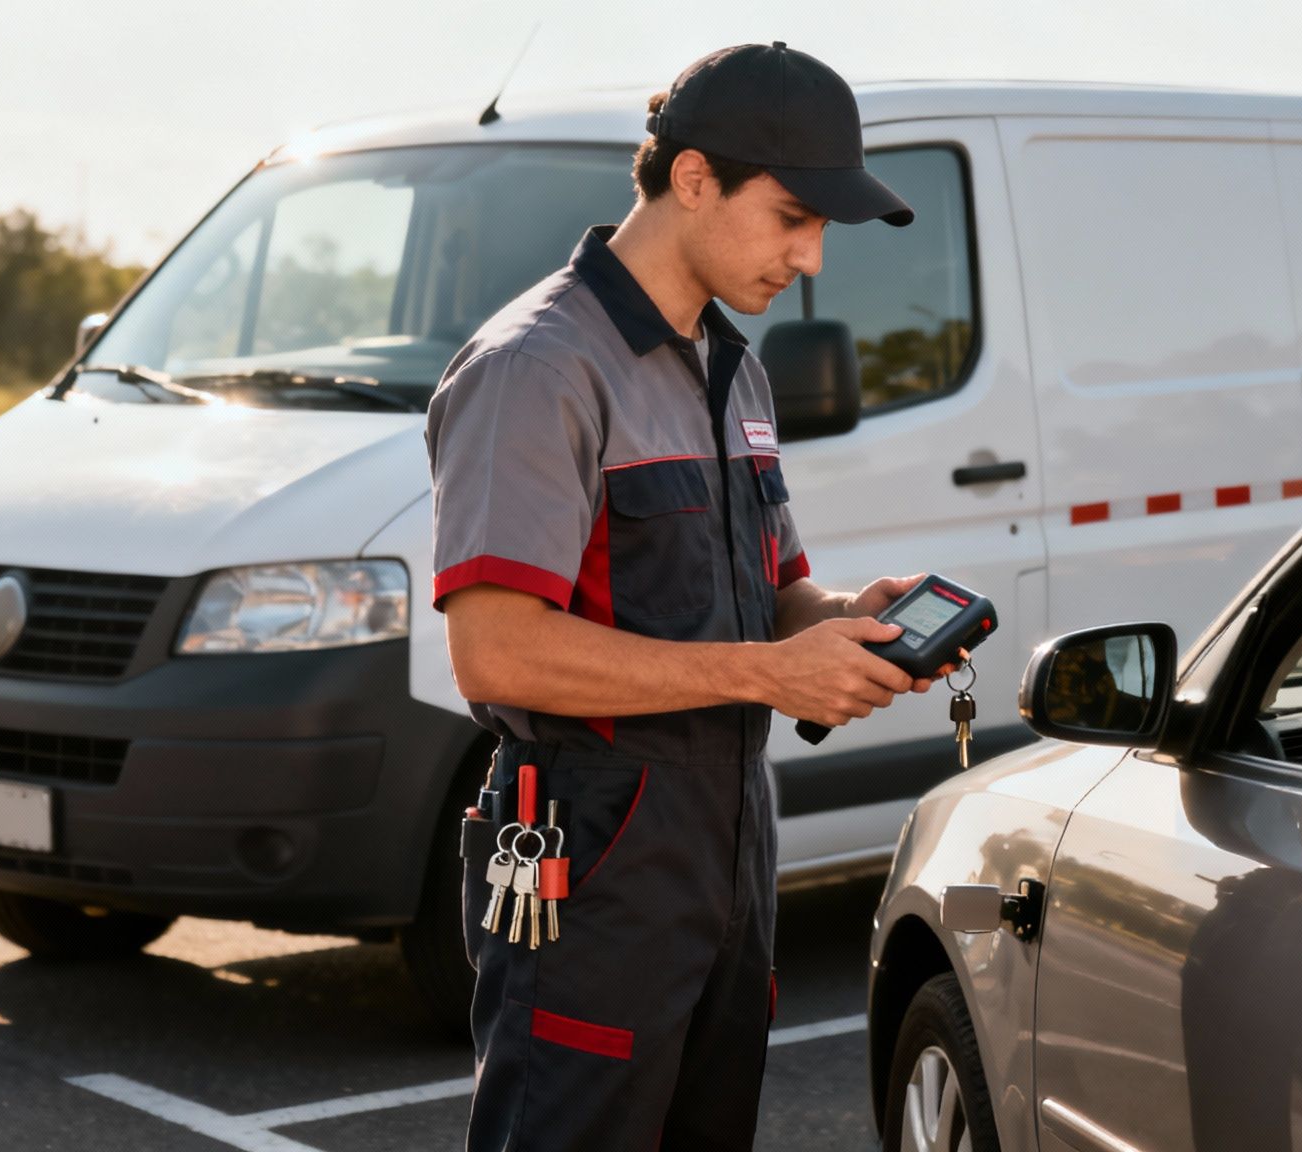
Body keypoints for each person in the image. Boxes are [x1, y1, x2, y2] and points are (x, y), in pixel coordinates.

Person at [426, 42, 955, 1151]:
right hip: (592, 840)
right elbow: (496, 654)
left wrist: (850, 620)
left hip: (726, 838)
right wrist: (771, 673)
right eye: (792, 218)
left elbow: (770, 596)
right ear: (695, 179)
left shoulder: (733, 368)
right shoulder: (538, 367)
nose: (808, 258)